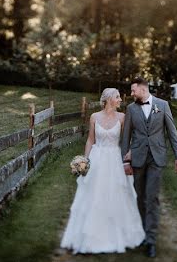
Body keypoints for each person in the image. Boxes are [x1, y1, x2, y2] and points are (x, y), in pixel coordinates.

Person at [60, 88, 145, 253]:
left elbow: (131, 139)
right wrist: (84, 160)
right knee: (93, 194)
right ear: (108, 99)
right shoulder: (94, 117)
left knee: (116, 193)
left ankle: (117, 234)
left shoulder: (122, 117)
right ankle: (91, 236)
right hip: (97, 158)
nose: (121, 99)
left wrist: (129, 155)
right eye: (118, 97)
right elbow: (90, 139)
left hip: (114, 158)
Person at [122, 77, 177, 258]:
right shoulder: (131, 109)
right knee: (140, 197)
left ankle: (151, 239)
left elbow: (172, 132)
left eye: (133, 90)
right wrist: (125, 160)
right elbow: (125, 137)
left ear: (142, 89)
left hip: (157, 158)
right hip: (138, 159)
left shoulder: (162, 105)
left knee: (152, 197)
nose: (131, 94)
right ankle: (143, 232)